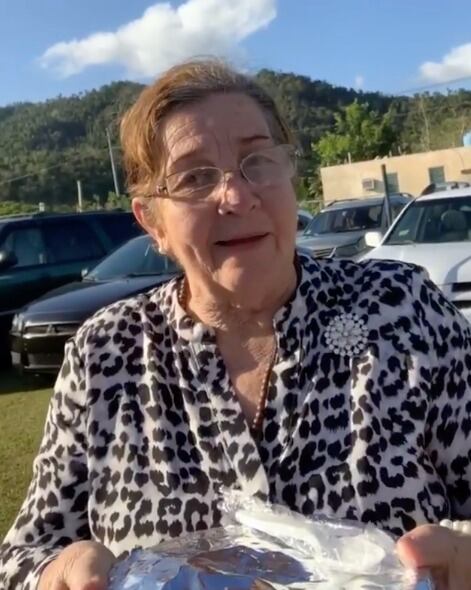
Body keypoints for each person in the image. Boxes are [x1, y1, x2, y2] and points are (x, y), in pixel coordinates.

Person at [1, 59, 471, 590]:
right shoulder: (106, 352)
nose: (238, 196)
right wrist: (56, 571)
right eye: (194, 177)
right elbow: (24, 552)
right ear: (152, 222)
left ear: (290, 176)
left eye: (257, 161)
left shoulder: (402, 308)